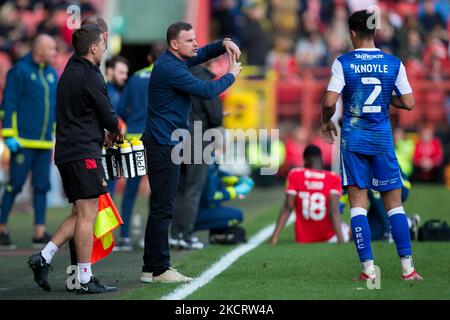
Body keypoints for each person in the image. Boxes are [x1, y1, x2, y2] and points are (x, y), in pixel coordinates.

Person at [321, 10, 422, 281]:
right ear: (374, 32)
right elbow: (410, 102)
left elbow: (330, 102)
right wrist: (384, 100)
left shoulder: (344, 63)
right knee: (395, 206)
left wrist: (324, 121)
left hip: (354, 141)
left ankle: (369, 271)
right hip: (382, 140)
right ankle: (408, 270)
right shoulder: (393, 63)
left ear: (352, 33)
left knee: (357, 206)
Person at [140, 21, 242, 283]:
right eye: (190, 40)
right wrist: (231, 74)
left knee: (162, 207)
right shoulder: (171, 68)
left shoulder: (173, 61)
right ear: (175, 44)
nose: (196, 44)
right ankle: (160, 268)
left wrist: (223, 44)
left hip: (165, 142)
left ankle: (151, 267)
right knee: (164, 208)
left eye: (196, 39)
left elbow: (203, 53)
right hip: (163, 144)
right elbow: (207, 91)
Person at [27, 24, 124, 294]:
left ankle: (44, 257)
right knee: (87, 214)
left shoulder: (69, 70)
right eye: (103, 44)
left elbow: (81, 115)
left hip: (69, 151)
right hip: (83, 154)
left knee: (81, 212)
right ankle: (84, 277)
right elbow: (108, 116)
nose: (105, 48)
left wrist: (98, 132)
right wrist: (116, 131)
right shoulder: (90, 76)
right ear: (94, 48)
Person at [0, 34, 58, 249]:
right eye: (52, 49)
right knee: (14, 186)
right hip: (22, 141)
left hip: (44, 144)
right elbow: (8, 104)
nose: (55, 53)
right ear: (40, 50)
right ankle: (2, 228)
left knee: (42, 187)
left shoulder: (52, 74)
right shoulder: (20, 71)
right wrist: (9, 134)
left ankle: (39, 232)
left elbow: (54, 109)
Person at [113, 44, 165, 251]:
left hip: (135, 138)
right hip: (157, 138)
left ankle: (124, 237)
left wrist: (133, 122)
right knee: (158, 189)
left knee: (131, 189)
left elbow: (120, 108)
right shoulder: (167, 77)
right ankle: (152, 237)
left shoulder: (135, 78)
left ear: (149, 58)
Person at [170, 61, 225, 250]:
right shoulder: (204, 80)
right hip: (199, 137)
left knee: (179, 189)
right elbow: (216, 116)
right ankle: (186, 235)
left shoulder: (177, 75)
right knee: (193, 189)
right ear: (209, 63)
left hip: (175, 136)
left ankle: (174, 234)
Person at [270, 145, 348, 245]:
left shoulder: (295, 174)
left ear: (305, 160)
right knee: (348, 228)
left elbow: (288, 207)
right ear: (321, 159)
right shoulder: (334, 178)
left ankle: (274, 238)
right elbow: (333, 211)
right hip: (328, 237)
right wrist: (340, 240)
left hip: (303, 239)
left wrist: (274, 237)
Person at [192, 163, 254, 245]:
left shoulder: (210, 161)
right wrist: (234, 191)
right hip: (194, 211)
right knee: (237, 216)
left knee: (234, 216)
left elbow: (216, 172)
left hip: (196, 208)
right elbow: (211, 197)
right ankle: (187, 231)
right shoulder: (208, 160)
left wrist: (235, 179)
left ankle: (218, 233)